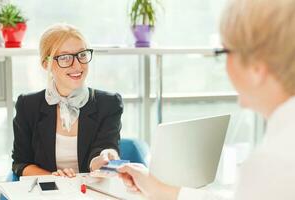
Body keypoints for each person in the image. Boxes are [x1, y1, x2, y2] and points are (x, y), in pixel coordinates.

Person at [118, 0, 295, 199]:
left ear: (256, 68)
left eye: (224, 52)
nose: (224, 65)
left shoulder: (273, 164)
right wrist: (159, 189)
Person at [12, 23, 123, 178]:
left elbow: (107, 146)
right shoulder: (27, 105)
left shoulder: (109, 103)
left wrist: (105, 158)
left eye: (82, 55)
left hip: (92, 190)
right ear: (46, 64)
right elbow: (20, 163)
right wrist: (54, 178)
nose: (77, 65)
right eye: (65, 58)